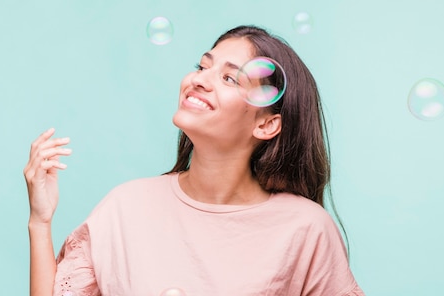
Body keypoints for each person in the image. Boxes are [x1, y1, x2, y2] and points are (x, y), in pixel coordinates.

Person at [24, 25, 365, 296]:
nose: (198, 80)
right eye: (202, 66)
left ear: (266, 124)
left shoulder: (305, 228)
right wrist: (40, 222)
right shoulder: (124, 206)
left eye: (229, 78)